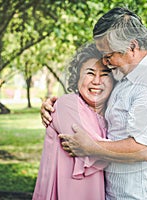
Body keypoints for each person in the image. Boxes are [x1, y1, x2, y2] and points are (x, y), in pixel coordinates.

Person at [42, 7, 147, 199]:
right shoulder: (128, 77)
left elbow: (145, 148)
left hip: (144, 193)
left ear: (132, 47)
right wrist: (54, 106)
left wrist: (91, 146)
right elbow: (97, 108)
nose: (106, 61)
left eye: (109, 55)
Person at [33, 44, 113, 200]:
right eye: (90, 73)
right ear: (77, 78)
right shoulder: (67, 105)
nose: (97, 81)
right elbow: (101, 149)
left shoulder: (111, 113)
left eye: (105, 74)